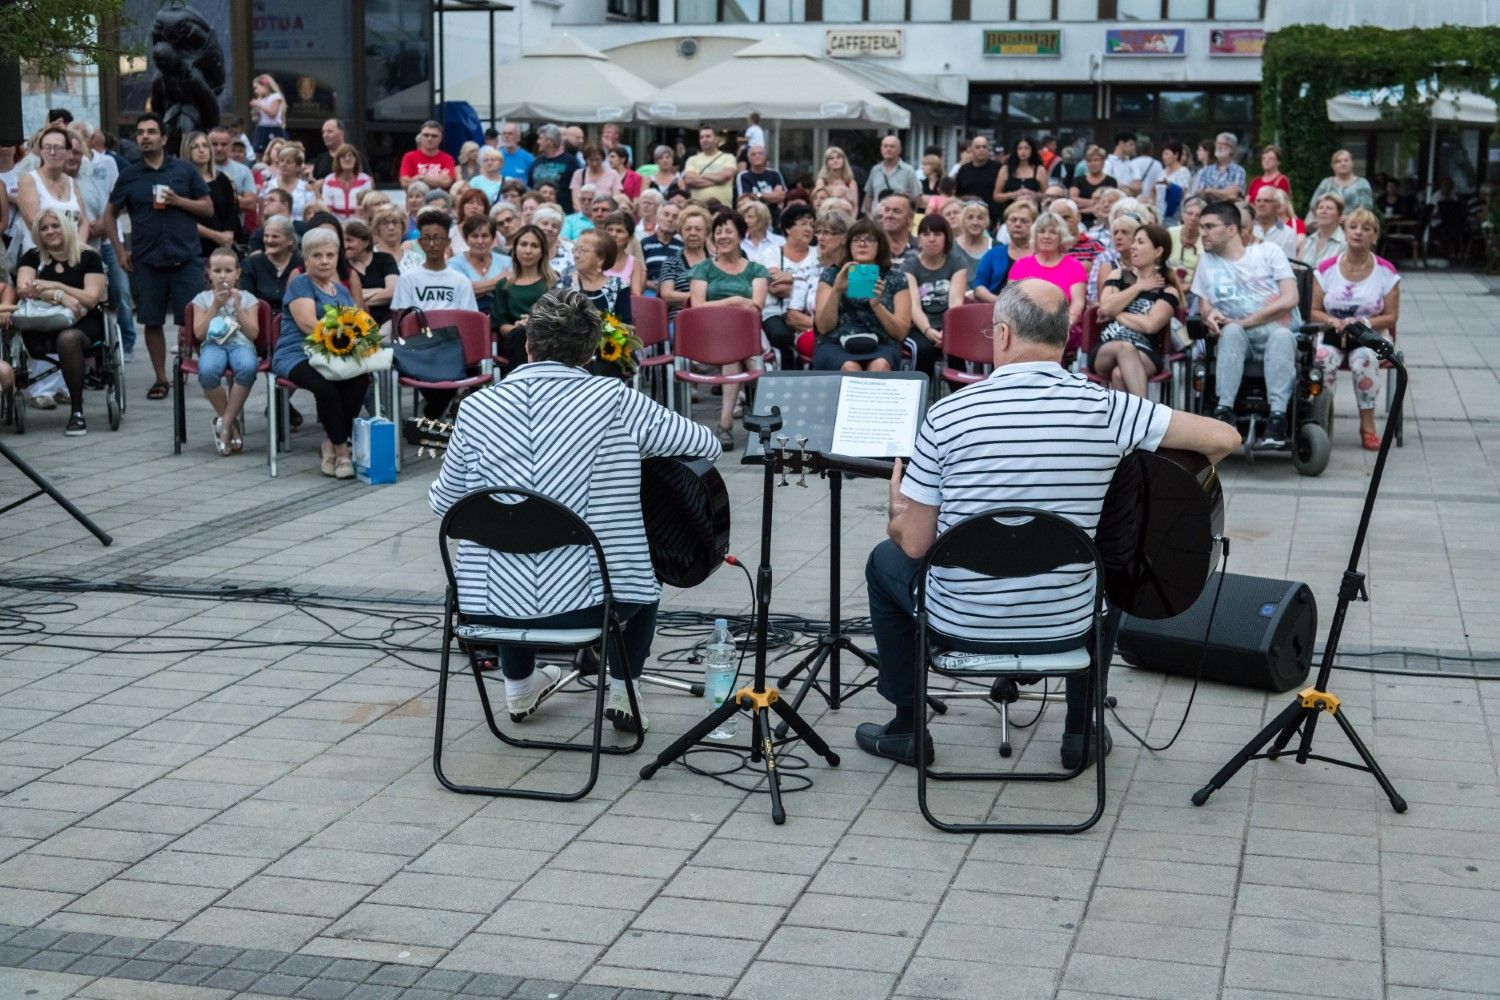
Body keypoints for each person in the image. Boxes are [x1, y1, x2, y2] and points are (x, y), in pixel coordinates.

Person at [855, 279, 1241, 768]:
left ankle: (908, 727)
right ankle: (1080, 731)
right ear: (1065, 338)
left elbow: (914, 545)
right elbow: (1224, 439)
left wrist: (896, 517)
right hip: (1068, 622)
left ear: (1003, 335)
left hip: (963, 623)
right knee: (1116, 567)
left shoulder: (946, 415)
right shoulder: (1110, 409)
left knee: (882, 561)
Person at [429, 288, 719, 732]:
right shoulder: (615, 399)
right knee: (644, 568)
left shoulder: (476, 407)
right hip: (593, 605)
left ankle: (520, 684)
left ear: (527, 343)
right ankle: (623, 685)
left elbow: (445, 504)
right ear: (589, 352)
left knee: (511, 547)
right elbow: (706, 444)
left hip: (488, 609)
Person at [106, 112, 214, 401]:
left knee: (194, 321)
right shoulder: (129, 175)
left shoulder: (184, 170)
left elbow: (207, 208)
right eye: (140, 132)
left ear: (164, 138)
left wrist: (179, 201)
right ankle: (161, 378)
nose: (144, 137)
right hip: (147, 260)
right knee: (151, 321)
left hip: (186, 258)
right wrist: (119, 251)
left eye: (151, 132)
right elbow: (109, 215)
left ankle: (207, 372)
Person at [1191, 200, 1300, 447]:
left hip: (1276, 335)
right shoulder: (1206, 261)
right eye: (1201, 227)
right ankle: (1224, 410)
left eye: (1209, 226)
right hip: (1236, 339)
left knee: (1282, 336)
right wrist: (1210, 315)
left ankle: (1277, 417)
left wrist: (1247, 320)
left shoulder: (1268, 252)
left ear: (1231, 229)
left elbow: (1291, 298)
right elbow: (1204, 304)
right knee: (1231, 331)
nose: (1203, 233)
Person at [275, 228, 367, 478]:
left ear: (337, 257)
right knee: (326, 386)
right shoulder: (301, 284)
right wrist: (347, 335)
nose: (324, 261)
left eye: (330, 254)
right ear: (306, 259)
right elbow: (308, 324)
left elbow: (357, 323)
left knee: (360, 379)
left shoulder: (342, 291)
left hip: (333, 355)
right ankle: (342, 452)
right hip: (297, 354)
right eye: (317, 255)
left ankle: (329, 442)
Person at [1310, 208, 1401, 451]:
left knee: (1364, 360)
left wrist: (1363, 324)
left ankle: (1368, 426)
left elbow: (1392, 316)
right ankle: (1321, 422)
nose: (1358, 233)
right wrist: (1333, 321)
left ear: (1375, 236)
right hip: (1333, 335)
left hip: (1368, 337)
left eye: (1366, 229)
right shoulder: (1327, 268)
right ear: (1345, 232)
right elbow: (1312, 310)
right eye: (1353, 227)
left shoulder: (1386, 271)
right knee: (1322, 359)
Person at [12, 211, 106, 435]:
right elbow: (24, 289)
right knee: (48, 338)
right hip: (41, 323)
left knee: (68, 338)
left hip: (82, 323)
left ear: (67, 227)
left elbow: (91, 298)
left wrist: (52, 285)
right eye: (44, 228)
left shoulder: (88, 257)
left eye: (55, 225)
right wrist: (59, 297)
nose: (50, 231)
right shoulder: (32, 257)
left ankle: (77, 410)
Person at [688, 210, 769, 449]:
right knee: (737, 350)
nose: (722, 236)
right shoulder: (703, 269)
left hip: (745, 334)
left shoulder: (756, 269)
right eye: (718, 231)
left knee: (734, 352)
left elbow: (756, 307)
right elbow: (697, 306)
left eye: (728, 231)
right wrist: (733, 301)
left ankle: (725, 425)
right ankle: (768, 417)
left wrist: (737, 308)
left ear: (741, 235)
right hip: (709, 335)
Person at [813, 217, 911, 374]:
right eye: (856, 239)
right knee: (850, 368)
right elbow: (824, 328)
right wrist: (837, 290)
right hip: (836, 343)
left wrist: (876, 305)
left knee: (880, 366)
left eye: (870, 240)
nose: (862, 244)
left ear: (880, 245)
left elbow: (900, 333)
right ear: (849, 245)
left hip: (881, 344)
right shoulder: (832, 275)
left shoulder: (895, 279)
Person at [188, 247, 261, 455]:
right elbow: (200, 333)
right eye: (217, 270)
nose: (222, 275)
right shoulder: (201, 299)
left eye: (228, 270)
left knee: (248, 367)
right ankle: (231, 424)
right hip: (213, 344)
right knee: (207, 370)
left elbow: (253, 333)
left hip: (241, 343)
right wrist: (215, 306)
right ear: (208, 273)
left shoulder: (248, 298)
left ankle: (226, 425)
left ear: (237, 273)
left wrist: (237, 307)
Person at [1094, 224, 1181, 397]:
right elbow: (1105, 306)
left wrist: (1115, 313)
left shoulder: (1168, 290)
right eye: (1133, 241)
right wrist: (1138, 287)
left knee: (1119, 374)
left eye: (1140, 242)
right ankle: (1147, 412)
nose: (1133, 246)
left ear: (1157, 252)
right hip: (1107, 347)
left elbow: (1150, 326)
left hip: (1145, 351)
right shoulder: (1118, 275)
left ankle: (1125, 423)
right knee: (1125, 348)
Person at [756, 202, 818, 370]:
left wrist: (791, 276)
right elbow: (775, 287)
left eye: (812, 225)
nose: (809, 229)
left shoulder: (817, 254)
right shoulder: (772, 252)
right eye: (803, 224)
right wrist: (806, 283)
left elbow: (821, 288)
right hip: (776, 312)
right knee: (781, 335)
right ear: (788, 229)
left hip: (807, 313)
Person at [902, 214, 966, 376]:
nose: (931, 239)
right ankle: (920, 395)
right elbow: (913, 305)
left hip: (950, 324)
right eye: (926, 234)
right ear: (919, 239)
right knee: (923, 349)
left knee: (957, 348)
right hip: (918, 327)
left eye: (937, 234)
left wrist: (948, 330)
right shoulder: (909, 265)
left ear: (946, 238)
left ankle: (959, 397)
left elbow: (955, 301)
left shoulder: (957, 263)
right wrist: (928, 330)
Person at [1008, 211, 1088, 331]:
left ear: (1061, 237)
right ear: (1035, 236)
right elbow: (1011, 301)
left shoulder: (1074, 266)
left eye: (1053, 232)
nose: (1046, 236)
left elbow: (1078, 303)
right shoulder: (1021, 265)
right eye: (1042, 231)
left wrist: (1064, 326)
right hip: (1024, 328)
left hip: (1062, 329)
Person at [490, 224, 554, 366]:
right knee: (520, 334)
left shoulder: (553, 282)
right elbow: (502, 326)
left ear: (543, 251)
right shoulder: (504, 285)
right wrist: (519, 326)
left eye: (534, 246)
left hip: (547, 338)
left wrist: (534, 323)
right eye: (523, 244)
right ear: (515, 248)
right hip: (516, 338)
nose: (528, 251)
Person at [183, 132, 239, 258]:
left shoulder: (222, 179)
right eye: (195, 147)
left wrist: (227, 236)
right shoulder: (182, 182)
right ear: (187, 151)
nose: (202, 150)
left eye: (205, 145)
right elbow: (183, 219)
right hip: (194, 248)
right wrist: (216, 236)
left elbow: (231, 210)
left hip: (223, 247)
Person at [973, 201, 1037, 301]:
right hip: (994, 306)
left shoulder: (1041, 255)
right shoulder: (993, 254)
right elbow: (979, 287)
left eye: (1024, 220)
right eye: (1013, 220)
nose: (1018, 224)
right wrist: (1001, 303)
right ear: (1006, 224)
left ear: (1034, 225)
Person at [449, 215, 510, 315]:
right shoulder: (454, 264)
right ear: (465, 239)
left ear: (493, 238)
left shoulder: (507, 261)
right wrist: (498, 281)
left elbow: (512, 290)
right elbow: (460, 291)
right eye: (474, 236)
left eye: (485, 236)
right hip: (467, 318)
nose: (480, 241)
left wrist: (477, 288)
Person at [344, 219, 398, 329]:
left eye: (350, 240)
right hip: (354, 323)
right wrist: (380, 290)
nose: (345, 245)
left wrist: (357, 298)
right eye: (343, 241)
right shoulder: (342, 266)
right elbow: (344, 300)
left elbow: (393, 292)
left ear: (366, 242)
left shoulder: (385, 259)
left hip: (387, 320)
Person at [657, 204, 712, 314]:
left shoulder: (716, 263)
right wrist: (699, 297)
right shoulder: (671, 262)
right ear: (681, 233)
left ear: (706, 233)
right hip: (679, 318)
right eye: (687, 229)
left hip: (711, 316)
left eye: (698, 229)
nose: (692, 233)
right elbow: (667, 295)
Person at [1305, 149, 1375, 226]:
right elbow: (1313, 204)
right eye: (1338, 161)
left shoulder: (1362, 183)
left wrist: (1349, 218)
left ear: (1352, 163)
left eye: (1346, 160)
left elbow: (1366, 207)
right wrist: (1329, 218)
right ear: (1333, 166)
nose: (1343, 163)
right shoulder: (1326, 183)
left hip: (1353, 227)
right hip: (1329, 227)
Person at [863, 136, 922, 217]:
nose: (888, 149)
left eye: (892, 146)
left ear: (899, 150)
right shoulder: (875, 170)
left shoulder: (908, 171)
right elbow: (869, 195)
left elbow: (917, 196)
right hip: (877, 219)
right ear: (881, 149)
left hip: (898, 220)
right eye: (885, 146)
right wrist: (868, 214)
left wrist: (910, 216)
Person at [528, 124, 580, 214]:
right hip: (539, 212)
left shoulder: (571, 162)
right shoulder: (536, 162)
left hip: (564, 212)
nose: (538, 142)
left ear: (549, 141)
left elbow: (577, 188)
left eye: (540, 138)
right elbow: (530, 186)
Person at [953, 136, 1002, 226]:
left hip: (992, 220)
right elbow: (957, 195)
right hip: (968, 218)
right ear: (971, 150)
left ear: (988, 149)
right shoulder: (963, 170)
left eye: (984, 147)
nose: (981, 150)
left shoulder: (998, 168)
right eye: (978, 147)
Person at [683, 126, 737, 208]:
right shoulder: (692, 159)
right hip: (698, 210)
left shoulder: (728, 157)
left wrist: (702, 175)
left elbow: (725, 176)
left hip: (723, 210)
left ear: (716, 139)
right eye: (701, 137)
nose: (704, 139)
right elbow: (690, 180)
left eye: (708, 136)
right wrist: (718, 180)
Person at [320, 144, 373, 221]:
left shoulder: (365, 180)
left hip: (359, 222)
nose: (347, 159)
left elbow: (367, 206)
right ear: (338, 160)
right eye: (343, 157)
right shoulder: (329, 180)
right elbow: (327, 209)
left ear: (356, 160)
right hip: (336, 223)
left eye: (350, 156)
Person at [261, 142, 314, 220]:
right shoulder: (268, 185)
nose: (283, 164)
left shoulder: (306, 188)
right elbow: (261, 215)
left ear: (298, 167)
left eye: (288, 162)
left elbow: (312, 215)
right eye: (281, 161)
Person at [600, 210, 646, 297]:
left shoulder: (634, 263)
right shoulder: (595, 257)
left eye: (619, 231)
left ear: (630, 238)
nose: (613, 234)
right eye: (610, 229)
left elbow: (636, 296)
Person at [400, 121, 457, 191]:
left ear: (440, 138)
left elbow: (446, 182)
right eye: (426, 135)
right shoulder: (409, 157)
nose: (430, 138)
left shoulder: (448, 159)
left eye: (434, 136)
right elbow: (404, 182)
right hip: (416, 201)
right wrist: (438, 179)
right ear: (421, 137)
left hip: (439, 200)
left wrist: (421, 178)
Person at [1070, 146, 1117, 228]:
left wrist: (1082, 209)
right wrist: (1096, 203)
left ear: (1103, 162)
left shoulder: (1111, 181)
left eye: (1096, 160)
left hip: (1104, 223)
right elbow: (1073, 201)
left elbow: (1112, 203)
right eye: (1089, 161)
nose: (1092, 163)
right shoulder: (1078, 180)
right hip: (1081, 222)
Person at [1192, 132, 1247, 203]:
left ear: (1232, 149)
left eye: (1224, 144)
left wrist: (1210, 190)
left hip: (1228, 209)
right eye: (1217, 143)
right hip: (1207, 208)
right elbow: (1197, 192)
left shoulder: (1239, 171)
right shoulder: (1205, 170)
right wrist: (1224, 192)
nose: (1219, 146)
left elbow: (1233, 195)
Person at [736, 144, 787, 220]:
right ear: (749, 159)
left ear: (766, 157)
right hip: (753, 218)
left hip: (774, 217)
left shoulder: (775, 174)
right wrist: (772, 196)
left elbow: (781, 197)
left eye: (760, 153)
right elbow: (746, 200)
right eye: (753, 154)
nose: (757, 156)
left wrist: (758, 195)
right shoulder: (743, 176)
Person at [994, 135, 1044, 211]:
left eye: (1026, 148)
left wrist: (1032, 194)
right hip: (1010, 211)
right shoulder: (1005, 170)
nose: (1023, 151)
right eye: (1020, 148)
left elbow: (1047, 195)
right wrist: (1012, 195)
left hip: (1033, 211)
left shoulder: (1040, 170)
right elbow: (996, 196)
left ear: (1032, 150)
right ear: (1015, 150)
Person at [951, 201, 994, 285]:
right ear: (963, 221)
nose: (975, 223)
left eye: (980, 218)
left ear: (986, 221)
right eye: (970, 217)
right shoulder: (950, 247)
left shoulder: (997, 247)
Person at [640, 200, 682, 287]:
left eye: (675, 217)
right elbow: (637, 273)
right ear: (658, 217)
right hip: (649, 291)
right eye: (666, 214)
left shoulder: (681, 247)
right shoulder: (645, 244)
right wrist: (648, 284)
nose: (670, 219)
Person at [1300, 192, 1347, 266]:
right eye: (1320, 208)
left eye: (1329, 208)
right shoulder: (1307, 241)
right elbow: (1297, 268)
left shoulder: (1345, 243)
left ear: (1339, 215)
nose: (1324, 211)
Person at [1154, 139, 1193, 226]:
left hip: (1175, 216)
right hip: (1159, 215)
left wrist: (1169, 185)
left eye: (1166, 153)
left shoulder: (1183, 172)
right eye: (1163, 154)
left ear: (1176, 155)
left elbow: (1183, 193)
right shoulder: (1163, 172)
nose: (1163, 157)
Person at [1252, 187, 1299, 259]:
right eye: (1258, 201)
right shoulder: (1247, 229)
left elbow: (1290, 265)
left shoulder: (1288, 233)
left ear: (1277, 205)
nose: (1261, 204)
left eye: (1266, 201)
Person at [1168, 195, 1205, 284]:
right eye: (1189, 213)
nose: (1193, 218)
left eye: (1198, 215)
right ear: (1183, 214)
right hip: (1168, 282)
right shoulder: (1170, 233)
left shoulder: (1205, 239)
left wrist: (1186, 288)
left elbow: (1201, 276)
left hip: (1193, 287)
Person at [571, 143, 621, 207]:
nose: (594, 163)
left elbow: (616, 198)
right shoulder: (578, 174)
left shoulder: (613, 174)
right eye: (591, 160)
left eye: (597, 159)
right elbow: (576, 201)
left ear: (603, 159)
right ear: (586, 159)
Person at [878, 193, 918, 269]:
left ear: (910, 218)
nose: (889, 215)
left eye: (896, 211)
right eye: (887, 210)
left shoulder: (921, 248)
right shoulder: (874, 246)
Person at [248, 75, 287, 153]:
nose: (255, 91)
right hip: (262, 128)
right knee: (259, 151)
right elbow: (255, 119)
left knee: (275, 151)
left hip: (273, 128)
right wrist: (255, 112)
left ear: (265, 86)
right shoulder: (261, 100)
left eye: (256, 88)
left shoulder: (275, 97)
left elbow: (272, 113)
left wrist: (260, 104)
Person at [1103, 131, 1141, 196]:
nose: (1133, 147)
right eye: (1131, 144)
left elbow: (1138, 186)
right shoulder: (1108, 163)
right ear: (1121, 143)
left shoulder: (1132, 164)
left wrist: (1122, 187)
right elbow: (1108, 184)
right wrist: (1129, 188)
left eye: (1134, 145)